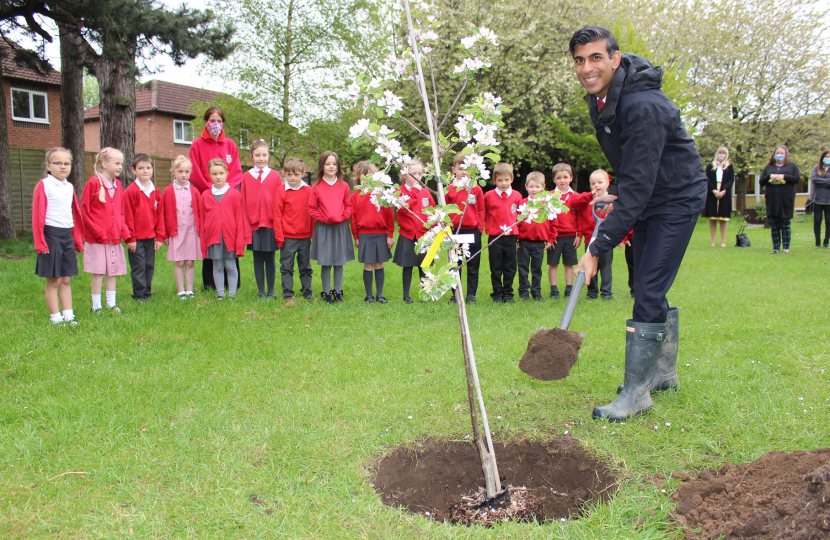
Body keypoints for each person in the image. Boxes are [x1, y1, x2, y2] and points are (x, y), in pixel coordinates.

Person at [570, 26, 707, 421]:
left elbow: (642, 181)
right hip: (651, 195)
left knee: (647, 287)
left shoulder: (642, 105)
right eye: (579, 60)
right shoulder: (603, 100)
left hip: (675, 199)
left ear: (615, 59)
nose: (587, 67)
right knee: (647, 285)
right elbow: (636, 167)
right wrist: (619, 190)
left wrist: (596, 249)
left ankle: (636, 393)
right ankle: (661, 375)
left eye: (596, 57)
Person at [188, 106, 243, 290]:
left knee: (229, 239)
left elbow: (236, 171)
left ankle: (232, 284)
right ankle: (211, 284)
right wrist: (210, 190)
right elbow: (195, 171)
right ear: (205, 122)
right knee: (212, 238)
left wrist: (227, 190)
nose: (216, 124)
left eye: (219, 121)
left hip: (227, 197)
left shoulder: (230, 145)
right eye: (212, 121)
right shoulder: (197, 144)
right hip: (208, 196)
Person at [32, 147, 84, 325]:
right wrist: (41, 243)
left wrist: (76, 240)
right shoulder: (44, 185)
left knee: (66, 279)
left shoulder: (69, 187)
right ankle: (55, 317)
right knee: (54, 280)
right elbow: (37, 215)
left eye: (66, 163)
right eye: (58, 163)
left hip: (66, 235)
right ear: (48, 166)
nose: (63, 167)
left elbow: (74, 214)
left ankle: (69, 315)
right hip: (51, 235)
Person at [81, 148, 129, 313]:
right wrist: (98, 232)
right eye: (116, 163)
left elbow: (120, 211)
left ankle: (111, 303)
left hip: (113, 237)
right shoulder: (93, 183)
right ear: (104, 164)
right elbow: (85, 211)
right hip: (97, 239)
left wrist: (123, 232)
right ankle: (96, 306)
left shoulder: (118, 184)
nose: (120, 166)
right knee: (98, 271)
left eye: (121, 163)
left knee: (112, 271)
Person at [308, 151, 354, 304]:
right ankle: (327, 292)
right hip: (324, 228)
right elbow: (311, 209)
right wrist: (324, 218)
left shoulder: (344, 186)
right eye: (328, 163)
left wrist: (342, 217)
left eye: (334, 163)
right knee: (326, 261)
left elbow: (348, 206)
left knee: (339, 261)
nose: (331, 166)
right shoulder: (316, 187)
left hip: (340, 227)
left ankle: (338, 292)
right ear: (322, 166)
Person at [241, 140, 283, 298]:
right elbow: (243, 202)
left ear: (268, 156)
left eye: (264, 155)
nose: (261, 158)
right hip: (254, 225)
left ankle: (271, 291)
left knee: (270, 258)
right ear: (252, 156)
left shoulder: (275, 176)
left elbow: (280, 200)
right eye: (257, 155)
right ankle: (261, 292)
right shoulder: (246, 177)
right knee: (257, 258)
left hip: (271, 225)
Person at [199, 159, 244, 300]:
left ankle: (232, 294)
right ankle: (220, 294)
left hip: (230, 237)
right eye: (214, 174)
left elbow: (239, 219)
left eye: (221, 173)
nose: (218, 177)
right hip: (214, 237)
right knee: (217, 266)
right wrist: (204, 239)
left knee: (230, 265)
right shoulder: (205, 195)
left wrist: (239, 240)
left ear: (226, 173)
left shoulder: (234, 194)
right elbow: (202, 219)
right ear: (209, 175)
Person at [351, 161, 394, 304]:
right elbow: (353, 217)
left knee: (379, 264)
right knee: (368, 265)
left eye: (370, 175)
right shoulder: (356, 195)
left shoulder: (382, 194)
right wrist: (356, 236)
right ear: (358, 178)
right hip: (364, 235)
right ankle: (369, 296)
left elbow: (389, 215)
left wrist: (390, 235)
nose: (367, 178)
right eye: (363, 176)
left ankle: (380, 295)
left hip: (380, 233)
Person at [123, 154, 164, 301]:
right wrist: (131, 238)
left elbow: (160, 215)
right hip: (136, 239)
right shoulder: (131, 191)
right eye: (140, 168)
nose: (145, 171)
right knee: (138, 266)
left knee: (149, 265)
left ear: (152, 169)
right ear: (133, 170)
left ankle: (147, 292)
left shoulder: (155, 191)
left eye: (148, 168)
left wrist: (160, 237)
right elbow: (127, 216)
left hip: (150, 237)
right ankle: (139, 295)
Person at [393, 160, 435, 304]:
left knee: (424, 264)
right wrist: (414, 192)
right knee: (408, 265)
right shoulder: (399, 193)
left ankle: (426, 293)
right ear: (404, 175)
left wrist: (434, 227)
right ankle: (406, 295)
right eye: (413, 173)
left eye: (420, 173)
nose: (417, 176)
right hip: (408, 235)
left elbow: (432, 210)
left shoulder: (425, 192)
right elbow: (403, 208)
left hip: (424, 235)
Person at [446, 152, 485, 304]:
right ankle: (456, 293)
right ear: (453, 169)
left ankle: (471, 295)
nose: (464, 172)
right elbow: (445, 210)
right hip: (455, 232)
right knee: (455, 264)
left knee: (473, 264)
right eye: (460, 168)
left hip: (472, 231)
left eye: (467, 169)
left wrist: (479, 229)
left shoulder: (476, 189)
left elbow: (481, 210)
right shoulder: (449, 189)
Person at [274, 157, 314, 301]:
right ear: (284, 173)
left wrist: (313, 235)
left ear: (302, 174)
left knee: (305, 266)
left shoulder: (309, 191)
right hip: (288, 237)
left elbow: (312, 213)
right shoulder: (281, 191)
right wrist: (279, 238)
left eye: (296, 174)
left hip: (304, 237)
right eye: (289, 174)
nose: (292, 178)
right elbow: (277, 216)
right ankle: (288, 293)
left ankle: (307, 291)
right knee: (286, 266)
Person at [162, 155, 202, 299]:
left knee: (190, 262)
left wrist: (201, 232)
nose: (183, 175)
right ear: (173, 172)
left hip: (191, 230)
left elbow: (200, 212)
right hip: (176, 230)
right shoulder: (168, 191)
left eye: (186, 171)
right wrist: (165, 234)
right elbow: (163, 213)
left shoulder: (194, 191)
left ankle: (189, 290)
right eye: (180, 171)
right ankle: (181, 290)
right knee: (179, 261)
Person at [548, 163, 590, 299]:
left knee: (569, 264)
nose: (562, 180)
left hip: (571, 236)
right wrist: (549, 236)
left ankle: (569, 290)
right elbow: (546, 218)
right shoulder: (549, 196)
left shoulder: (575, 196)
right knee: (553, 264)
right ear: (554, 179)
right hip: (555, 237)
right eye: (558, 178)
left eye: (565, 177)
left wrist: (579, 235)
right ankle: (554, 290)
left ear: (571, 178)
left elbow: (580, 217)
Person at [483, 162, 523, 303]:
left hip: (511, 237)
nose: (503, 183)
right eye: (500, 180)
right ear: (494, 180)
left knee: (510, 267)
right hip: (495, 237)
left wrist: (519, 236)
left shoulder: (517, 196)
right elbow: (484, 213)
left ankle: (508, 293)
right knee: (496, 267)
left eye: (506, 179)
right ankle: (497, 293)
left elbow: (520, 216)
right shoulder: (488, 196)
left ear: (512, 179)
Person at [578, 169, 613, 300]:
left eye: (600, 182)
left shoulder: (612, 201)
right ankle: (592, 292)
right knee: (591, 265)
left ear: (607, 183)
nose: (596, 185)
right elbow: (575, 204)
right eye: (593, 183)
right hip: (590, 239)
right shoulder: (588, 201)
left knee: (605, 266)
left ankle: (606, 292)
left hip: (607, 239)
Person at [759, 145, 800, 254]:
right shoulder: (769, 167)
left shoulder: (792, 166)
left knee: (785, 225)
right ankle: (776, 248)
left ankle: (786, 248)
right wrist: (770, 177)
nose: (780, 155)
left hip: (786, 200)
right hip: (772, 200)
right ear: (773, 155)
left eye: (782, 153)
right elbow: (761, 181)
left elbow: (797, 179)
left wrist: (784, 177)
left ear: (786, 155)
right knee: (774, 226)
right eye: (778, 153)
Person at [517, 171, 548, 301]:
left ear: (543, 187)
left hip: (539, 242)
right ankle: (523, 291)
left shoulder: (546, 204)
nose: (534, 189)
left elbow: (553, 222)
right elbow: (517, 221)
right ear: (526, 187)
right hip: (523, 242)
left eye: (537, 187)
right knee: (523, 268)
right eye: (531, 186)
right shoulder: (522, 203)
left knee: (537, 269)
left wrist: (551, 238)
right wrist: (516, 238)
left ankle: (536, 291)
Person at [702, 146, 734, 247]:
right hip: (712, 193)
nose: (721, 155)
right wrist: (714, 190)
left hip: (724, 193)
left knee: (723, 218)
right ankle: (713, 241)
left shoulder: (729, 166)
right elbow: (707, 179)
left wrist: (724, 191)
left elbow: (731, 180)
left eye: (723, 153)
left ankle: (723, 241)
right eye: (720, 153)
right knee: (713, 218)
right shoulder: (710, 166)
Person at [809, 150, 830, 248]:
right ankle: (817, 242)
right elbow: (814, 179)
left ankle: (826, 242)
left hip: (829, 201)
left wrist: (820, 182)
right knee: (817, 221)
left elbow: (818, 181)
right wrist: (827, 182)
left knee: (828, 222)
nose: (828, 158)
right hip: (817, 199)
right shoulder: (816, 168)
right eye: (826, 156)